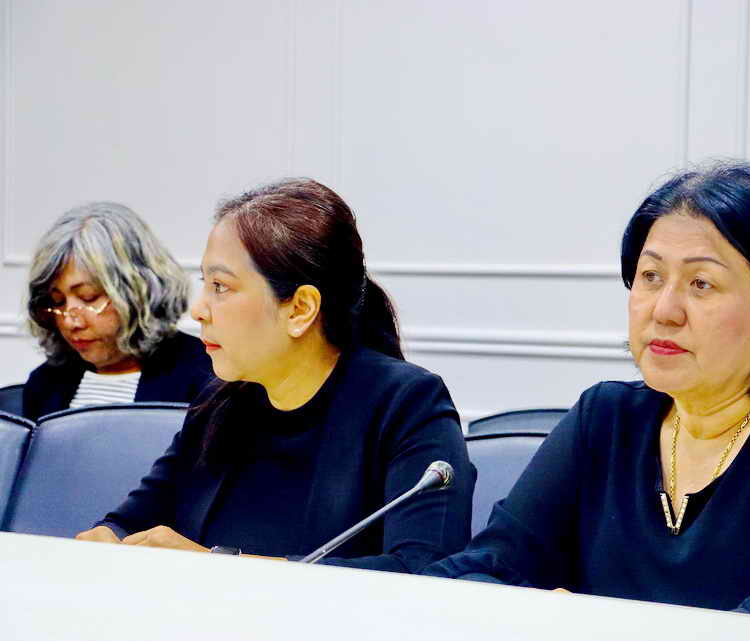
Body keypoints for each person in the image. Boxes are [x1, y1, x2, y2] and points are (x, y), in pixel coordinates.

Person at [425, 161, 750, 629]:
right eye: (651, 276)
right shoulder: (605, 417)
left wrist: (608, 629)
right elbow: (481, 570)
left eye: (701, 284)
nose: (664, 310)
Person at [76, 178, 475, 572]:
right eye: (205, 283)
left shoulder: (407, 404)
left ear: (300, 309)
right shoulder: (219, 402)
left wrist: (218, 567)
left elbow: (424, 569)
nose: (198, 310)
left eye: (221, 286)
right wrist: (107, 537)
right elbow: (131, 520)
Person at [23, 202, 213, 421]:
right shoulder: (44, 382)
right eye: (57, 302)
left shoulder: (205, 374)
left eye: (88, 297)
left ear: (138, 291)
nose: (70, 322)